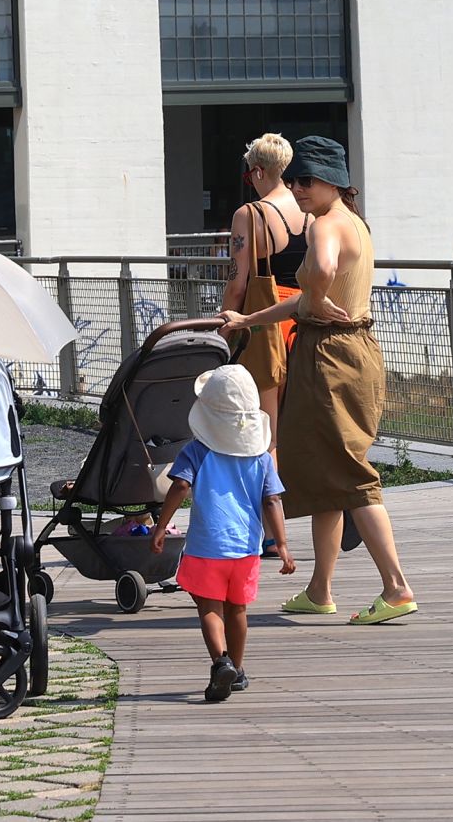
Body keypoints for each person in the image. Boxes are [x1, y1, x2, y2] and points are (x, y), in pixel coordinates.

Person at [221, 135, 417, 625]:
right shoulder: (353, 222)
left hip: (333, 356)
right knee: (327, 473)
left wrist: (316, 289)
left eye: (307, 180)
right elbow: (305, 300)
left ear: (333, 182)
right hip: (346, 348)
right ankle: (320, 588)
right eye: (294, 179)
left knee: (349, 474)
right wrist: (251, 320)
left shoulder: (326, 225)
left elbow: (322, 272)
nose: (299, 188)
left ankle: (396, 588)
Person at [149, 365, 295, 702]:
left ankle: (220, 661)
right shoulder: (260, 457)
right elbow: (272, 499)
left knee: (209, 608)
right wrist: (283, 546)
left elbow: (181, 486)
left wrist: (160, 526)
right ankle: (238, 670)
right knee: (238, 610)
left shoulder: (198, 450)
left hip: (206, 546)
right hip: (246, 548)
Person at [220, 133, 310, 555]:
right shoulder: (311, 212)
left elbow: (239, 282)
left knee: (266, 434)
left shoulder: (250, 214)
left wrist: (226, 324)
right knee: (302, 428)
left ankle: (274, 535)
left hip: (267, 328)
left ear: (257, 172)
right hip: (306, 322)